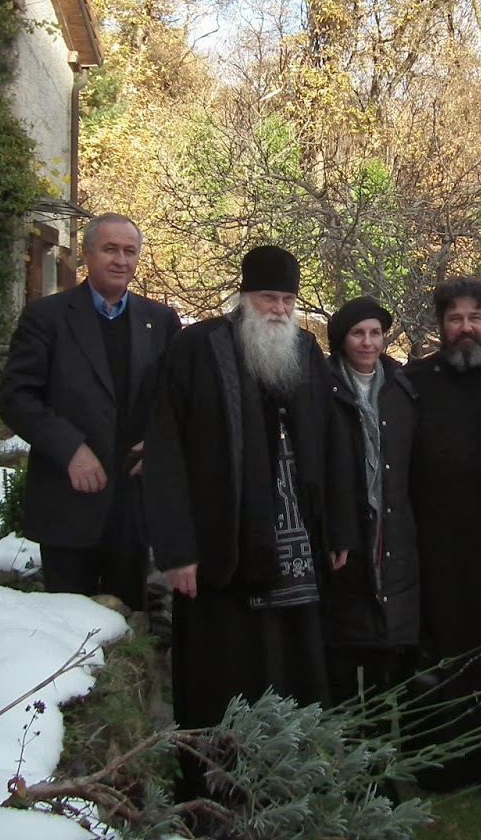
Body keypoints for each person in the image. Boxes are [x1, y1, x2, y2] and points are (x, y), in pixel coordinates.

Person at [145, 245, 354, 746]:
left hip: (296, 552)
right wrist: (176, 551)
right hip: (221, 550)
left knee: (295, 666)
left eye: (287, 300)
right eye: (268, 298)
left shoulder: (305, 350)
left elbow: (332, 442)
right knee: (226, 672)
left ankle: (291, 769)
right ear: (244, 297)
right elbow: (165, 451)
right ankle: (221, 772)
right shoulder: (197, 347)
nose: (279, 309)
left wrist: (339, 527)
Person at [0, 213, 181, 611]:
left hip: (132, 505)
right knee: (65, 624)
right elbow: (16, 398)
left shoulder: (160, 321)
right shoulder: (46, 317)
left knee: (129, 621)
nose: (121, 260)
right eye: (110, 249)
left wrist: (160, 442)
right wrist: (71, 449)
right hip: (67, 501)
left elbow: (175, 398)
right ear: (86, 254)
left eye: (130, 251)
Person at [403, 276, 481, 789]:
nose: (465, 328)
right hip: (429, 543)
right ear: (441, 325)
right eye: (455, 319)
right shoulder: (412, 381)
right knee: (434, 653)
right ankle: (431, 764)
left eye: (475, 317)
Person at [321, 296, 420, 706]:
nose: (368, 342)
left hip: (393, 532)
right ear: (342, 340)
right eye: (358, 333)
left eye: (375, 333)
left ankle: (383, 743)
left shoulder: (402, 387)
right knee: (342, 666)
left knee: (387, 668)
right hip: (344, 534)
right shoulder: (320, 386)